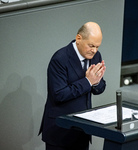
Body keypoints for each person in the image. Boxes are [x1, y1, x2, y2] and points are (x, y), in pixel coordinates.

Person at [39, 22, 106, 150]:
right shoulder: (60, 59)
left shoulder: (96, 56)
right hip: (60, 130)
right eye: (91, 45)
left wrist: (96, 82)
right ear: (79, 38)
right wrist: (88, 81)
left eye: (97, 46)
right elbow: (59, 94)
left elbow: (100, 88)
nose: (94, 50)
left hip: (82, 129)